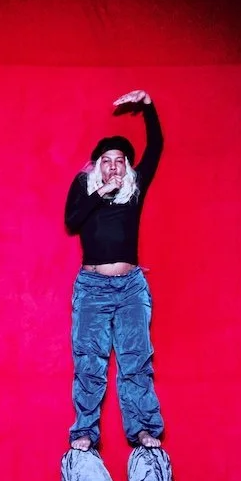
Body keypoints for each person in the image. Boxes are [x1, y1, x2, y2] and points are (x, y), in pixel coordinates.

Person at [64, 90, 166, 454]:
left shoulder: (134, 193)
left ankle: (142, 429)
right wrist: (100, 192)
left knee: (136, 360)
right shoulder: (84, 188)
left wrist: (149, 107)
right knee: (89, 363)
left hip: (130, 290)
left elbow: (156, 147)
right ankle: (86, 432)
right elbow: (71, 222)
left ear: (128, 167)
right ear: (96, 167)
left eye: (119, 161)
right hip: (91, 288)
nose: (113, 167)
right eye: (105, 161)